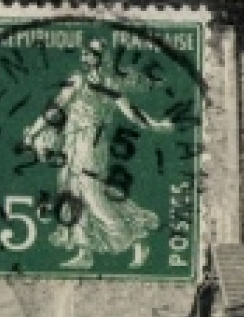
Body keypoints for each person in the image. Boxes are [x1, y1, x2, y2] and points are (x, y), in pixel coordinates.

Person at [22, 37, 178, 270]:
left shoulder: (110, 85)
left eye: (91, 55)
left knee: (93, 196)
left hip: (92, 145)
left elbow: (132, 113)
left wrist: (156, 125)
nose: (86, 59)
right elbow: (55, 109)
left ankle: (136, 240)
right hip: (72, 143)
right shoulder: (77, 80)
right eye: (84, 54)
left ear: (102, 58)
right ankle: (84, 252)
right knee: (72, 193)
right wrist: (34, 131)